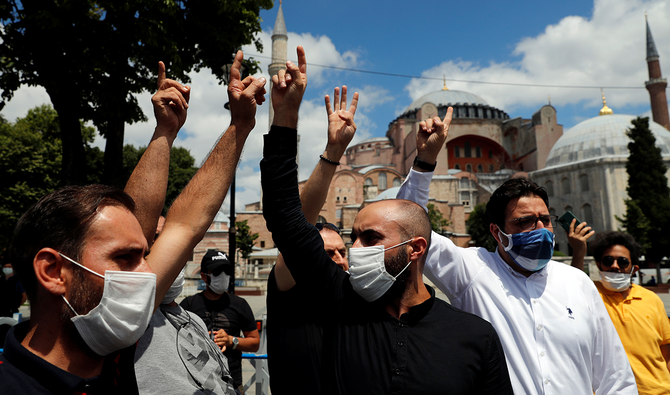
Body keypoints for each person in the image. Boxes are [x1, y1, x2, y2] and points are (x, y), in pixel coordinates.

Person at [0, 51, 266, 394]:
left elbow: (185, 226)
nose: (147, 273)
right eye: (125, 259)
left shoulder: (111, 353)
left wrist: (233, 126)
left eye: (145, 255)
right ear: (53, 271)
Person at [261, 46, 513, 394]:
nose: (355, 248)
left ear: (415, 248)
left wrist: (425, 161)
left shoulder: (474, 336)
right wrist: (286, 114)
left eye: (370, 238)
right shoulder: (342, 305)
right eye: (355, 236)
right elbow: (286, 217)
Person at [396, 113, 637, 394]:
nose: (540, 229)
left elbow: (615, 376)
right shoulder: (473, 271)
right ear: (498, 233)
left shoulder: (576, 282)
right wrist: (425, 160)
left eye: (544, 220)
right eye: (524, 222)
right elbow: (408, 224)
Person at [267, 86, 356, 394]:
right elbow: (296, 222)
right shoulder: (290, 286)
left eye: (342, 252)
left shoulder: (351, 299)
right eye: (328, 254)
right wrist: (333, 152)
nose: (340, 260)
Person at [134, 218, 236, 395]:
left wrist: (232, 341)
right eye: (155, 239)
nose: (167, 248)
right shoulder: (134, 316)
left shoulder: (194, 318)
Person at [591, 231, 670, 394]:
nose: (614, 266)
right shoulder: (589, 294)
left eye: (622, 262)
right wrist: (578, 250)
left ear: (634, 268)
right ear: (598, 264)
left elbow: (666, 352)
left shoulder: (652, 299)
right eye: (608, 260)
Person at [181, 249, 260, 393]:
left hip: (232, 383)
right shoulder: (189, 304)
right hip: (196, 383)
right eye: (217, 272)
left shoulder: (239, 304)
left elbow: (254, 343)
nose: (223, 276)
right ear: (204, 276)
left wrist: (231, 340)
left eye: (227, 271)